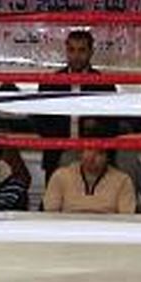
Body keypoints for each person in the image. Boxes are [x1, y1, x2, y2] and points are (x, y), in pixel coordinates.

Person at [34, 30, 117, 180]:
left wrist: (96, 127)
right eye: (72, 50)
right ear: (66, 51)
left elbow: (113, 124)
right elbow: (38, 119)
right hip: (58, 153)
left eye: (82, 50)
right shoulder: (50, 82)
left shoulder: (104, 84)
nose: (76, 56)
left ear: (91, 52)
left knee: (91, 201)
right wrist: (58, 138)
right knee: (54, 202)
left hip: (93, 156)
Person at [42, 125, 137, 214]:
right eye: (89, 149)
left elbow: (126, 218)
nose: (92, 157)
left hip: (107, 229)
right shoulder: (60, 176)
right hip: (69, 228)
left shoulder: (123, 180)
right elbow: (50, 214)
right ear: (80, 152)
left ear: (108, 157)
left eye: (99, 153)